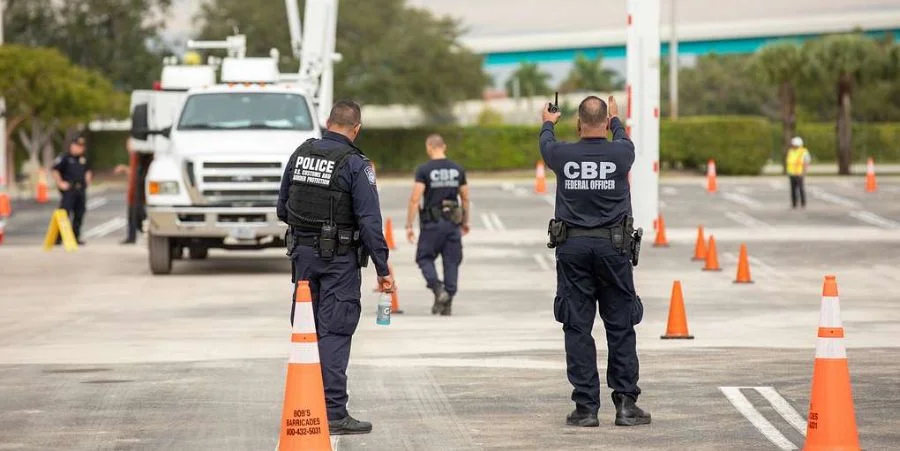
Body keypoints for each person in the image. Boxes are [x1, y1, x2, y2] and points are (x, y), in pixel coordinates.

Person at [276, 100, 394, 435]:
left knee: (305, 330)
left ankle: (304, 405)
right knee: (335, 331)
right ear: (357, 128)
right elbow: (370, 221)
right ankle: (333, 413)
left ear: (329, 122)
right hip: (338, 260)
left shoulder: (300, 154)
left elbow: (282, 207)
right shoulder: (356, 164)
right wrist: (383, 267)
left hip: (301, 256)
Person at [540, 95, 650, 427]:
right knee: (620, 326)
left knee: (577, 326)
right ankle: (626, 405)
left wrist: (548, 120)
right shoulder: (621, 153)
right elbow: (624, 138)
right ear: (604, 122)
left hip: (572, 250)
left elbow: (546, 141)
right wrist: (616, 118)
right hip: (613, 250)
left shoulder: (561, 154)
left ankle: (586, 408)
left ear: (577, 123)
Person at [404, 134, 470, 316]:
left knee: (424, 258)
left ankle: (438, 289)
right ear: (444, 147)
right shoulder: (457, 169)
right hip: (452, 224)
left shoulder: (424, 170)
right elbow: (465, 197)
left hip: (432, 225)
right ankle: (448, 298)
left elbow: (415, 198)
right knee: (452, 262)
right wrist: (465, 221)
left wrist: (409, 225)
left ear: (429, 147)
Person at [51, 133, 92, 245]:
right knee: (64, 213)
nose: (80, 148)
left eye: (82, 146)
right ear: (72, 146)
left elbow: (88, 170)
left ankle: (75, 236)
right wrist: (60, 183)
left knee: (80, 213)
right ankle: (58, 237)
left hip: (81, 189)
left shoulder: (83, 159)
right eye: (78, 146)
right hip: (69, 189)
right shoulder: (65, 158)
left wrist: (87, 180)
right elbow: (55, 170)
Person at [786, 136, 811, 209]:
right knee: (793, 190)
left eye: (794, 144)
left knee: (801, 189)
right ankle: (794, 203)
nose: (793, 145)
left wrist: (804, 172)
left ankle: (803, 203)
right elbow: (789, 161)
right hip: (792, 173)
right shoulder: (791, 151)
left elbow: (806, 162)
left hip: (799, 173)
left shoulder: (803, 151)